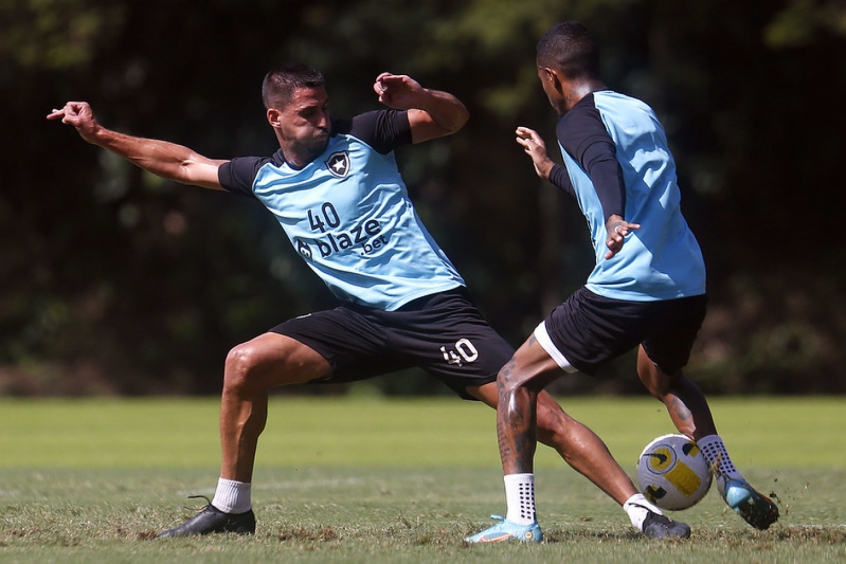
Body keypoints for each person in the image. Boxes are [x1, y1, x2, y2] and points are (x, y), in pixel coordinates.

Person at [48, 63, 687, 540]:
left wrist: (421, 97)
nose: (323, 120)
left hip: (434, 310)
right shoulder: (263, 176)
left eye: (324, 108)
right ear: (275, 118)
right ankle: (231, 508)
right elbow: (184, 163)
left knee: (535, 412)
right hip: (360, 321)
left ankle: (643, 515)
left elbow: (452, 119)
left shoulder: (365, 135)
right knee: (244, 362)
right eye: (307, 113)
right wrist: (100, 133)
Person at [467, 21, 779, 543]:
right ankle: (729, 477)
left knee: (513, 381)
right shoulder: (637, 109)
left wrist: (613, 218)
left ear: (551, 77)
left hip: (627, 285)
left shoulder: (577, 120)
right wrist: (548, 170)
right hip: (685, 282)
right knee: (661, 378)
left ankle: (521, 519)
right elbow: (609, 176)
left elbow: (602, 166)